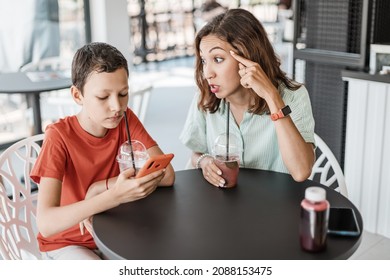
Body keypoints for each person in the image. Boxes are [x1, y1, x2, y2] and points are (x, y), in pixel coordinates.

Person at [30, 42, 175, 259]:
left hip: (114, 231)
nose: (117, 106)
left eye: (123, 93)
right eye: (103, 97)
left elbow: (167, 174)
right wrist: (114, 196)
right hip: (68, 243)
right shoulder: (58, 137)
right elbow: (46, 223)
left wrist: (101, 187)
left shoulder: (126, 119)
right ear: (78, 96)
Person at [180, 9, 315, 188]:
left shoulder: (294, 96)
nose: (207, 73)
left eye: (218, 59)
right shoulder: (205, 98)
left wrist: (271, 96)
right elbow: (196, 153)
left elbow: (301, 171)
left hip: (276, 208)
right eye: (204, 61)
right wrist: (204, 162)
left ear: (247, 57)